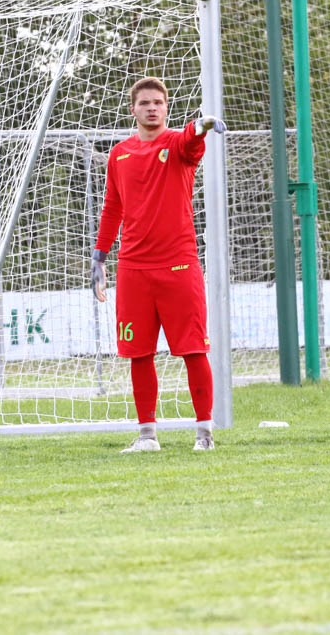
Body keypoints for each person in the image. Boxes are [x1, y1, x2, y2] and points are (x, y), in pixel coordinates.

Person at [91, 76, 226, 452]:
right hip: (133, 270)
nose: (152, 108)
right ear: (133, 109)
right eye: (145, 103)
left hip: (178, 265)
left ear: (166, 108)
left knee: (193, 350)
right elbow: (112, 207)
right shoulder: (119, 154)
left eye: (158, 103)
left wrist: (200, 126)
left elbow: (190, 143)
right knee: (138, 354)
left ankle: (204, 434)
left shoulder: (177, 144)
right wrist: (99, 256)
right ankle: (147, 436)